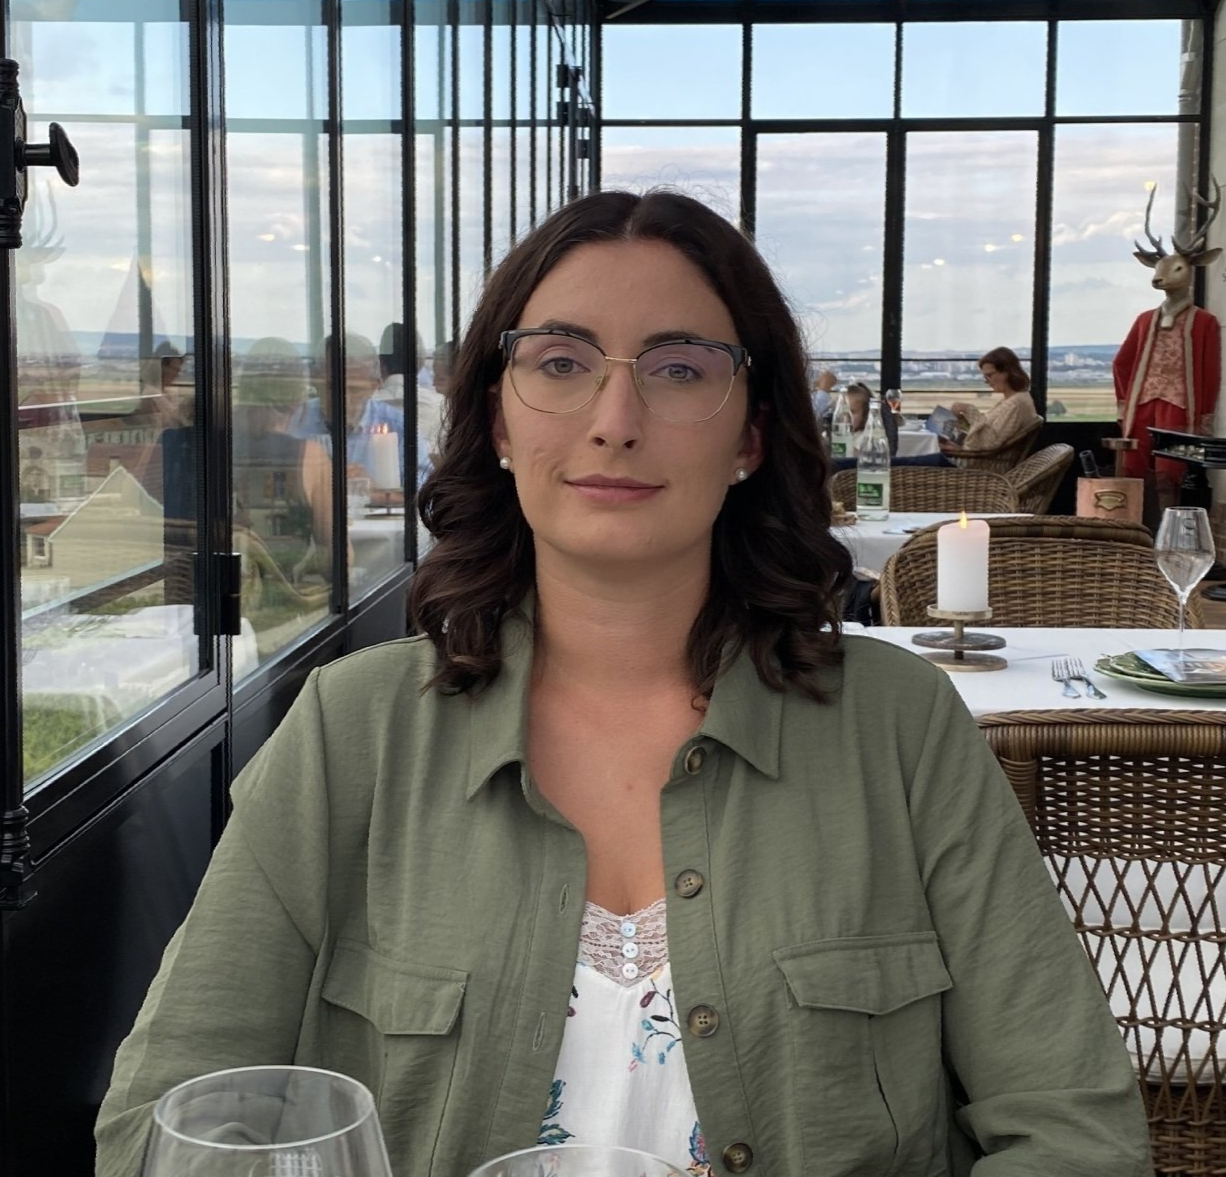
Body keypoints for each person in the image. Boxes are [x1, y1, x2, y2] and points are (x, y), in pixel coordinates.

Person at [95, 191, 1150, 1177]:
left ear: (750, 434)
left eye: (679, 368)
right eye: (559, 362)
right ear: (498, 422)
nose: (614, 418)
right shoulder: (351, 734)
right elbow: (163, 1126)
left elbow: (1074, 1131)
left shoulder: (898, 727)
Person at [943, 346, 1041, 463]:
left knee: (923, 457)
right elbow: (985, 434)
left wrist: (970, 410)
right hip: (973, 458)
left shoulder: (1015, 404)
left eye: (989, 376)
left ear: (1006, 372)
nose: (986, 381)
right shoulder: (1010, 400)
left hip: (979, 465)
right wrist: (963, 421)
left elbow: (990, 443)